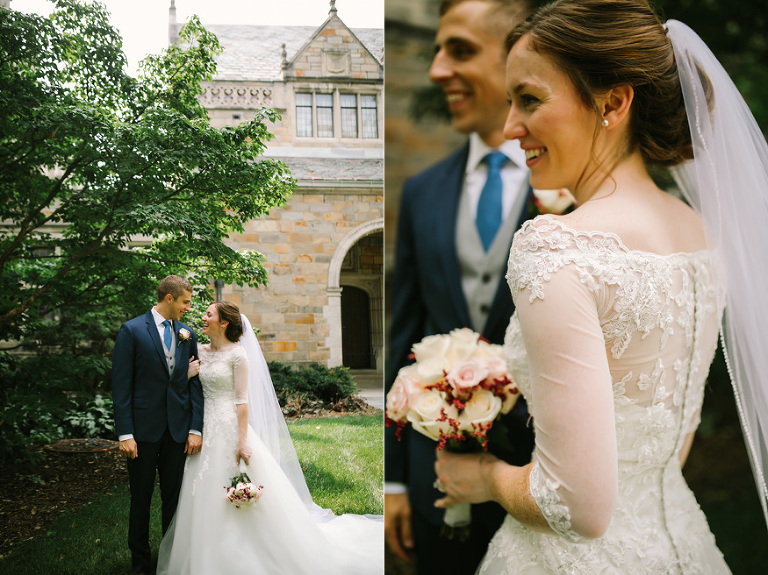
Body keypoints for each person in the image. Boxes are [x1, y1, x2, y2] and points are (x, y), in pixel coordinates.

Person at [433, 0, 768, 572]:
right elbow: (668, 446)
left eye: (530, 99)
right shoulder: (700, 234)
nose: (512, 126)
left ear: (613, 102)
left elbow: (578, 507)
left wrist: (484, 477)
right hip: (682, 544)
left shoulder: (556, 247)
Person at [385, 1, 541, 573]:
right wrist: (393, 481)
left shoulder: (571, 191)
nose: (437, 71)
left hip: (539, 483)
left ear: (521, 56)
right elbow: (404, 335)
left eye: (461, 50)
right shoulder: (422, 191)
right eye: (434, 52)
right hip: (433, 480)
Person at [157, 301, 384, 574]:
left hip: (230, 428)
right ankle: (203, 554)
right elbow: (183, 387)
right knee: (201, 488)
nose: (202, 318)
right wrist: (186, 373)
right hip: (204, 429)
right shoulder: (199, 351)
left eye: (208, 314)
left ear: (224, 322)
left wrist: (242, 441)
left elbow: (242, 402)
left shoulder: (238, 355)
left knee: (237, 483)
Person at [112, 275, 204, 575]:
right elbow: (121, 385)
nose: (188, 308)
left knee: (174, 501)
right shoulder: (132, 330)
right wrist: (125, 433)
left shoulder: (186, 334)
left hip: (177, 430)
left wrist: (195, 428)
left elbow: (194, 387)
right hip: (141, 432)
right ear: (169, 299)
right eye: (185, 302)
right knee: (140, 499)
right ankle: (140, 564)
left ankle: (170, 560)